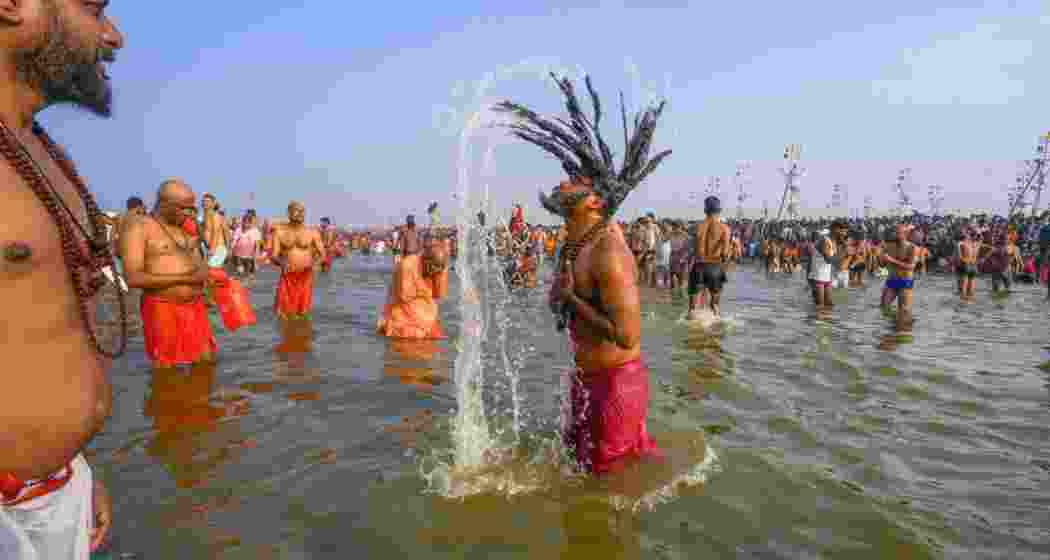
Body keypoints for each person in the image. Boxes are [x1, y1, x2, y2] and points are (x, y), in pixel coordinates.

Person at [496, 74, 671, 474]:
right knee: (578, 478)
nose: (562, 181)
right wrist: (561, 298)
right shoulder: (574, 245)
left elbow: (627, 335)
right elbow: (565, 312)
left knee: (609, 490)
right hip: (585, 381)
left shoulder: (609, 250)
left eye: (574, 179)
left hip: (614, 385)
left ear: (594, 199)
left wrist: (571, 297)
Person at [0, 5, 125, 557]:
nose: (112, 36)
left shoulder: (35, 146)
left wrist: (71, 463)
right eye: (94, 8)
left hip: (55, 493)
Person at [122, 180, 216, 368]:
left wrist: (208, 277)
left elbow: (199, 259)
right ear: (165, 205)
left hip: (195, 306)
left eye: (192, 208)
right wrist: (185, 279)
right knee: (166, 370)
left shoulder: (186, 227)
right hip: (161, 308)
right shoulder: (139, 228)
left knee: (206, 364)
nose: (189, 213)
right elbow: (132, 278)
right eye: (184, 208)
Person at [376, 231, 450, 339]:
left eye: (439, 268)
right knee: (410, 341)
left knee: (434, 342)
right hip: (402, 315)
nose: (435, 271)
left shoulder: (440, 268)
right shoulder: (408, 265)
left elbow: (439, 295)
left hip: (425, 316)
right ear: (425, 259)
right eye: (434, 266)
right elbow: (404, 296)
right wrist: (425, 290)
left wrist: (439, 276)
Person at [271, 201, 325, 319]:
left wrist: (315, 265)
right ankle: (283, 335)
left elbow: (322, 254)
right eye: (297, 210)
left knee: (302, 314)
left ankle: (302, 334)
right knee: (282, 313)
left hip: (305, 276)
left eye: (302, 211)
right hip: (288, 276)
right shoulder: (279, 232)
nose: (300, 213)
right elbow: (273, 256)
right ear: (289, 213)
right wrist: (281, 263)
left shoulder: (312, 232)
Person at [689, 196, 730, 317]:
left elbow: (692, 249)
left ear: (705, 210)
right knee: (715, 306)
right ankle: (715, 331)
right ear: (719, 210)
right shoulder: (724, 228)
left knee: (692, 308)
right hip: (715, 267)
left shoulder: (696, 227)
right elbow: (725, 253)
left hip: (698, 266)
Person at [880, 223, 919, 320]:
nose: (895, 235)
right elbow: (882, 265)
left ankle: (901, 329)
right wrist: (880, 258)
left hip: (905, 281)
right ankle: (890, 327)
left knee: (903, 310)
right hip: (892, 279)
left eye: (898, 233)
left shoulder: (912, 248)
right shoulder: (889, 246)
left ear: (905, 234)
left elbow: (911, 267)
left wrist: (892, 260)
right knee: (883, 306)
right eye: (895, 232)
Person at [200, 193, 228, 271]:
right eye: (203, 201)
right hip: (208, 248)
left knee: (212, 272)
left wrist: (212, 249)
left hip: (217, 248)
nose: (204, 203)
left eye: (207, 201)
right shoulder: (205, 216)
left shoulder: (215, 216)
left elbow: (215, 232)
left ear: (213, 204)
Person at [230, 210, 261, 278]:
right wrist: (231, 248)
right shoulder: (238, 230)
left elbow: (257, 243)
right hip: (238, 254)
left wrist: (257, 253)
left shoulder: (255, 231)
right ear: (242, 222)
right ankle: (239, 277)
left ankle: (249, 277)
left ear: (251, 223)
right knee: (240, 270)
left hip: (250, 255)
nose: (245, 225)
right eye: (244, 222)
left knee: (250, 274)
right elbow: (234, 240)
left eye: (247, 223)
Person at [956, 230, 979, 301]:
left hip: (966, 263)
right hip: (974, 264)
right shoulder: (976, 244)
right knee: (971, 282)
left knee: (964, 283)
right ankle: (970, 297)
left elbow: (959, 256)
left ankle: (963, 298)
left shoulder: (961, 243)